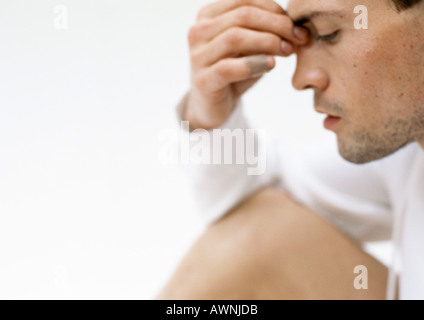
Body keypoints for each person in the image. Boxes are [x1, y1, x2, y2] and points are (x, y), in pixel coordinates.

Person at [158, 0, 424, 300]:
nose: (300, 80)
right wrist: (210, 112)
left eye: (329, 33)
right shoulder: (407, 155)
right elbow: (253, 214)